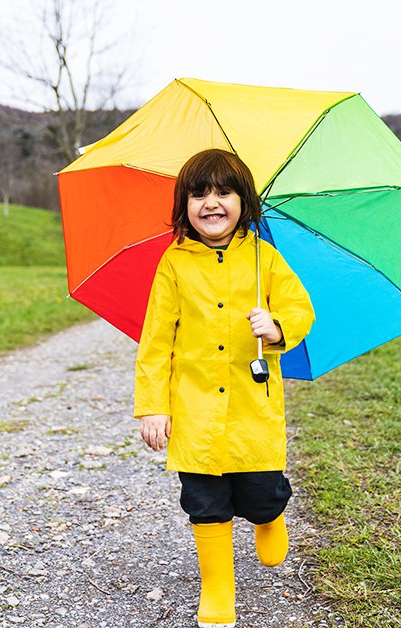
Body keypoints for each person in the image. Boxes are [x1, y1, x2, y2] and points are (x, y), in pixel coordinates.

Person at [133, 148, 315, 627]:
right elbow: (155, 342)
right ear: (184, 205)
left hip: (252, 408)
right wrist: (153, 406)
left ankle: (270, 516)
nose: (211, 204)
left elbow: (300, 310)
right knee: (204, 501)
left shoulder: (264, 257)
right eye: (199, 195)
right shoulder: (174, 265)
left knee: (260, 492)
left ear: (244, 201)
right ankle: (217, 587)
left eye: (223, 192)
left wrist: (275, 327)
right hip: (193, 409)